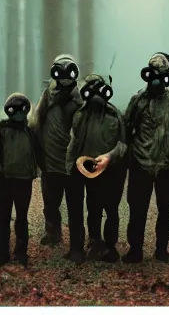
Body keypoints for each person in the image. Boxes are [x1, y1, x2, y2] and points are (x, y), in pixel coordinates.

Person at [122, 52, 169, 263]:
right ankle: (135, 249)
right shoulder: (137, 100)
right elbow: (125, 129)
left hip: (167, 165)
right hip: (141, 164)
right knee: (137, 209)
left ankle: (161, 249)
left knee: (166, 210)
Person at [65, 74, 128, 263]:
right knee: (80, 209)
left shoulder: (115, 115)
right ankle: (82, 246)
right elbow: (73, 142)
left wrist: (109, 157)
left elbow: (123, 144)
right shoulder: (79, 115)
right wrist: (70, 167)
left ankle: (109, 247)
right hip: (81, 167)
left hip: (107, 170)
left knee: (107, 209)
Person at [29, 54, 82, 249]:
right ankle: (52, 232)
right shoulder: (47, 96)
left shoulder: (79, 99)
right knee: (50, 203)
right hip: (50, 159)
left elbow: (84, 127)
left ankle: (77, 239)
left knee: (75, 203)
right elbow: (35, 122)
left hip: (72, 161)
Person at [0, 93, 45, 267]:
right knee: (4, 217)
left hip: (23, 180)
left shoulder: (30, 131)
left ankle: (20, 252)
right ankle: (3, 253)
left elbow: (38, 153)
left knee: (21, 217)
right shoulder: (3, 128)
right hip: (5, 180)